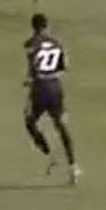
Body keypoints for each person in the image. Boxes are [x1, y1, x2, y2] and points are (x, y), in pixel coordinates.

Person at [23, 12, 78, 184]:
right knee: (61, 125)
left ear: (33, 27)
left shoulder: (30, 44)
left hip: (40, 88)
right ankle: (73, 167)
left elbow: (33, 66)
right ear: (46, 26)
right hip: (55, 87)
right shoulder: (57, 43)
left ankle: (45, 147)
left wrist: (29, 80)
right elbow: (64, 66)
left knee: (29, 120)